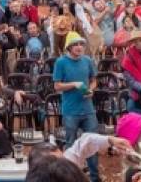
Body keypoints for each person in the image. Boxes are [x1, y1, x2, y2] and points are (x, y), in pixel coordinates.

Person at [53, 31, 100, 182]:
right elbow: (57, 86)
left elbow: (94, 80)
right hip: (70, 110)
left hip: (88, 109)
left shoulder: (87, 60)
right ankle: (70, 178)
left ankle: (95, 177)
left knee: (92, 143)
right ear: (69, 47)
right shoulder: (60, 62)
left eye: (81, 44)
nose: (79, 47)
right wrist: (73, 84)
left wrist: (91, 89)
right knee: (71, 144)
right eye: (76, 45)